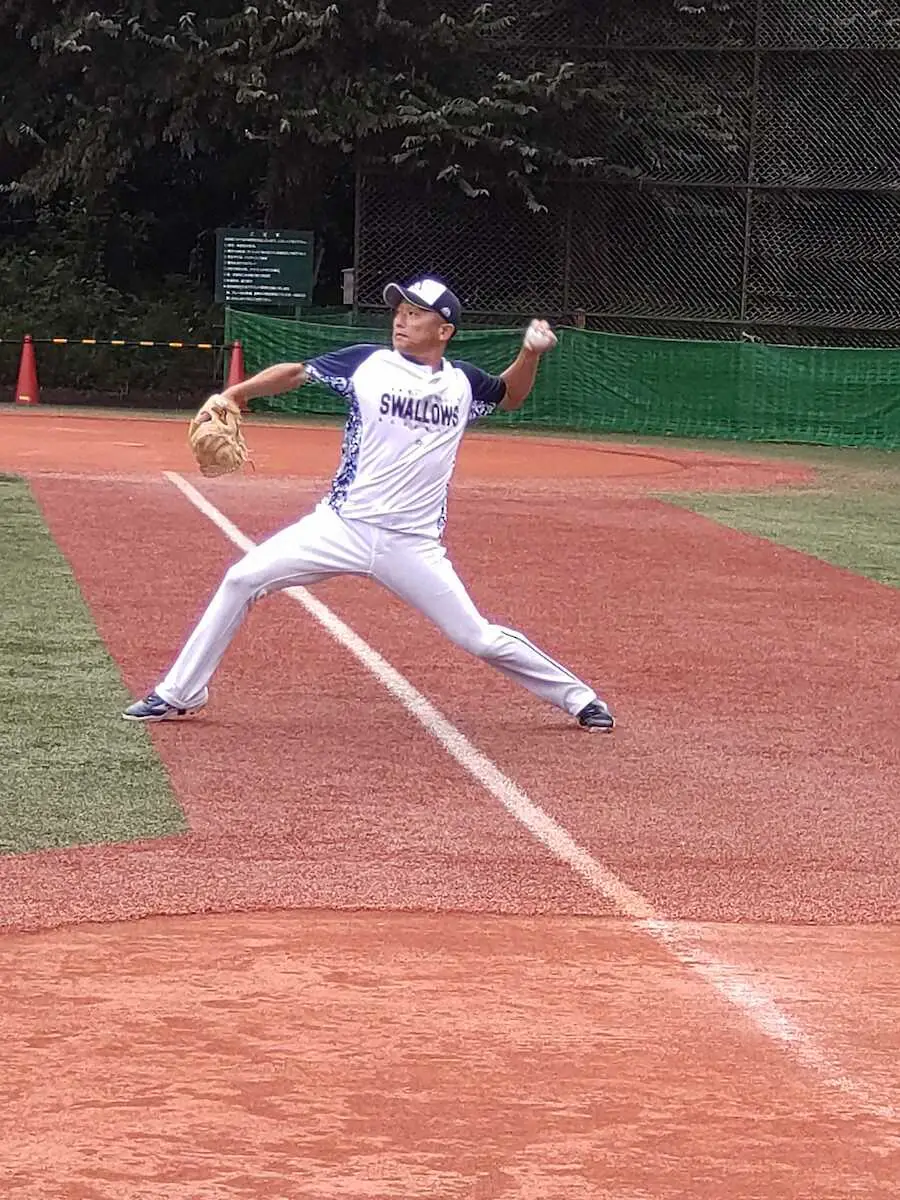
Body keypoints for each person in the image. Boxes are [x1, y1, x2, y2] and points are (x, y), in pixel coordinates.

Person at [123, 276, 615, 732]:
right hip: (341, 526)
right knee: (242, 579)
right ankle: (180, 692)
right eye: (399, 311)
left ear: (444, 330)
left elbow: (510, 395)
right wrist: (234, 395)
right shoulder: (368, 363)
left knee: (477, 637)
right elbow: (296, 373)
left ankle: (579, 698)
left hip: (413, 544)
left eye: (415, 314)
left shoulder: (462, 383)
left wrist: (529, 352)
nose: (401, 319)